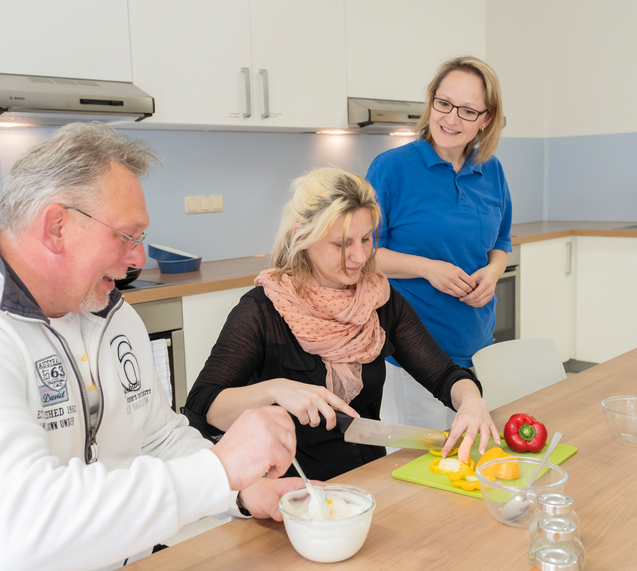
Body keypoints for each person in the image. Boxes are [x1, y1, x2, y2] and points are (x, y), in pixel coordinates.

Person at [0, 122, 303, 571]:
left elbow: (156, 435)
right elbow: (20, 529)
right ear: (57, 227)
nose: (138, 258)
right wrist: (218, 471)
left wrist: (239, 490)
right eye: (128, 236)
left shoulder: (112, 313)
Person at [183, 167, 498, 482]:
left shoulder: (380, 301)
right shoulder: (263, 311)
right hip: (289, 495)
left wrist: (471, 401)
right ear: (301, 236)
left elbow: (444, 375)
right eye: (342, 244)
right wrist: (275, 390)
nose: (360, 256)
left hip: (370, 482)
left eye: (365, 238)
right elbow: (201, 406)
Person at [365, 56, 512, 432]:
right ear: (431, 101)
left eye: (467, 110)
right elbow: (364, 255)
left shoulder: (491, 169)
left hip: (478, 342)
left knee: (466, 459)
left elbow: (501, 242)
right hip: (413, 351)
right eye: (443, 103)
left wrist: (494, 273)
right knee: (419, 466)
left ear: (486, 119)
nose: (450, 119)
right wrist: (429, 269)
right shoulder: (391, 168)